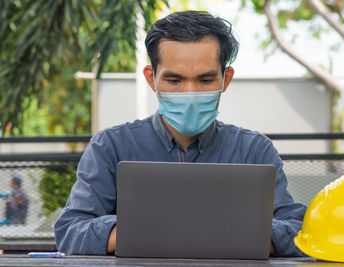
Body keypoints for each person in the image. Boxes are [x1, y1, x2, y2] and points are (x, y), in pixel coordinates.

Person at [54, 10, 307, 256]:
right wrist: (219, 230)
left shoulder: (254, 150)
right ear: (151, 78)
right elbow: (71, 231)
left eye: (205, 81)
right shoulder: (111, 146)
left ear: (225, 79)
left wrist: (172, 229)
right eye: (174, 80)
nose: (189, 92)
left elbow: (298, 232)